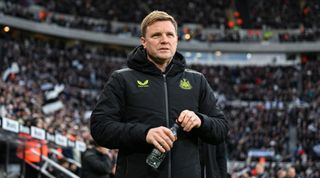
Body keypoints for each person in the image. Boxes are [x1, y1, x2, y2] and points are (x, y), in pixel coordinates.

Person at [90, 10, 229, 178]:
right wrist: (145, 134)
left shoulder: (197, 81)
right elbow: (100, 128)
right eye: (156, 35)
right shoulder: (122, 79)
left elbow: (221, 128)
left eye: (170, 35)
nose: (164, 40)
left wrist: (201, 120)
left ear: (176, 40)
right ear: (144, 42)